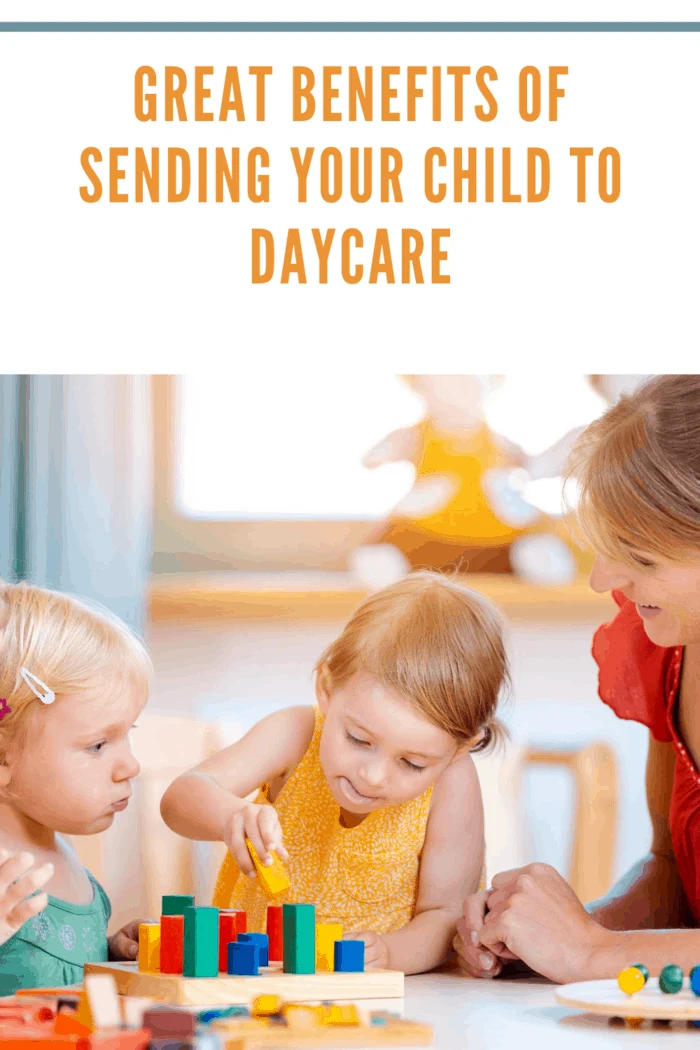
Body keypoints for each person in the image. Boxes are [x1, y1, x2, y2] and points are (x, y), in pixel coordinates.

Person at [455, 373, 700, 983]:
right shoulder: (670, 652)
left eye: (640, 556)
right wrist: (555, 935)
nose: (602, 579)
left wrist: (592, 952)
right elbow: (672, 875)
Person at [161, 571, 508, 975]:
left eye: (412, 763)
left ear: (460, 747)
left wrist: (392, 953)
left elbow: (445, 913)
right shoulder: (296, 733)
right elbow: (181, 797)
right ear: (327, 688)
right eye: (359, 739)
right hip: (254, 986)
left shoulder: (453, 781)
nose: (375, 776)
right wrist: (228, 816)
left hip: (380, 1006)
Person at [0, 580, 152, 987]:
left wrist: (108, 954)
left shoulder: (64, 856)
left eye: (127, 734)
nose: (130, 765)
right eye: (98, 745)